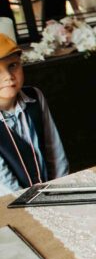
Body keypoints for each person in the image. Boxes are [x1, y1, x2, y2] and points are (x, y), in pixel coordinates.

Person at [0, 33, 68, 196]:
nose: (8, 77)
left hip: (49, 192)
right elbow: (3, 180)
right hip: (10, 200)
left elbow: (55, 150)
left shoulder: (35, 97)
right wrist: (31, 203)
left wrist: (62, 188)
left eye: (13, 65)